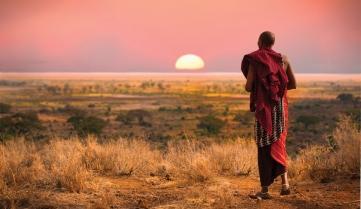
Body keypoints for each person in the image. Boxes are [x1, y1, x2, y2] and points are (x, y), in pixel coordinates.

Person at [241, 31, 296, 199]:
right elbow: (293, 83)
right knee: (278, 143)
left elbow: (249, 87)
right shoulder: (284, 59)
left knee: (264, 147)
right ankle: (285, 184)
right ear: (273, 43)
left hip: (263, 109)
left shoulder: (255, 60)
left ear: (259, 41)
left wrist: (261, 86)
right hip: (278, 108)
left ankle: (265, 191)